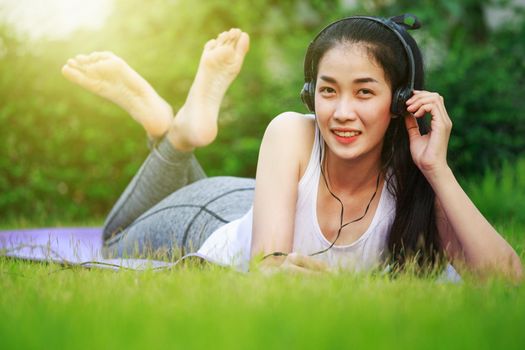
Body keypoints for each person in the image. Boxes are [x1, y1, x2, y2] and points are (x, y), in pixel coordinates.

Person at [61, 17, 522, 281]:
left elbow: (506, 282)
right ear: (310, 94)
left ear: (402, 100)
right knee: (116, 237)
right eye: (328, 91)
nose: (341, 111)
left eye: (364, 92)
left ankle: (171, 131)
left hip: (261, 201)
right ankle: (177, 135)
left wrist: (436, 168)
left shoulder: (416, 181)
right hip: (209, 219)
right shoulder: (291, 131)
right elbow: (269, 271)